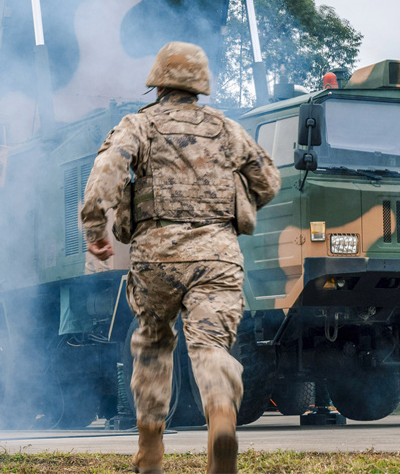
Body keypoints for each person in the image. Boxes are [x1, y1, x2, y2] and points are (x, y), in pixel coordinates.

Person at [81, 42, 280, 474]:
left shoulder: (138, 125)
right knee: (210, 345)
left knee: (152, 342)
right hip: (218, 255)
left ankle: (150, 446)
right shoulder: (227, 129)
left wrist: (96, 231)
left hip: (156, 256)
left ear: (156, 82)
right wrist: (230, 209)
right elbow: (268, 181)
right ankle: (222, 413)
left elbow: (104, 177)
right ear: (200, 85)